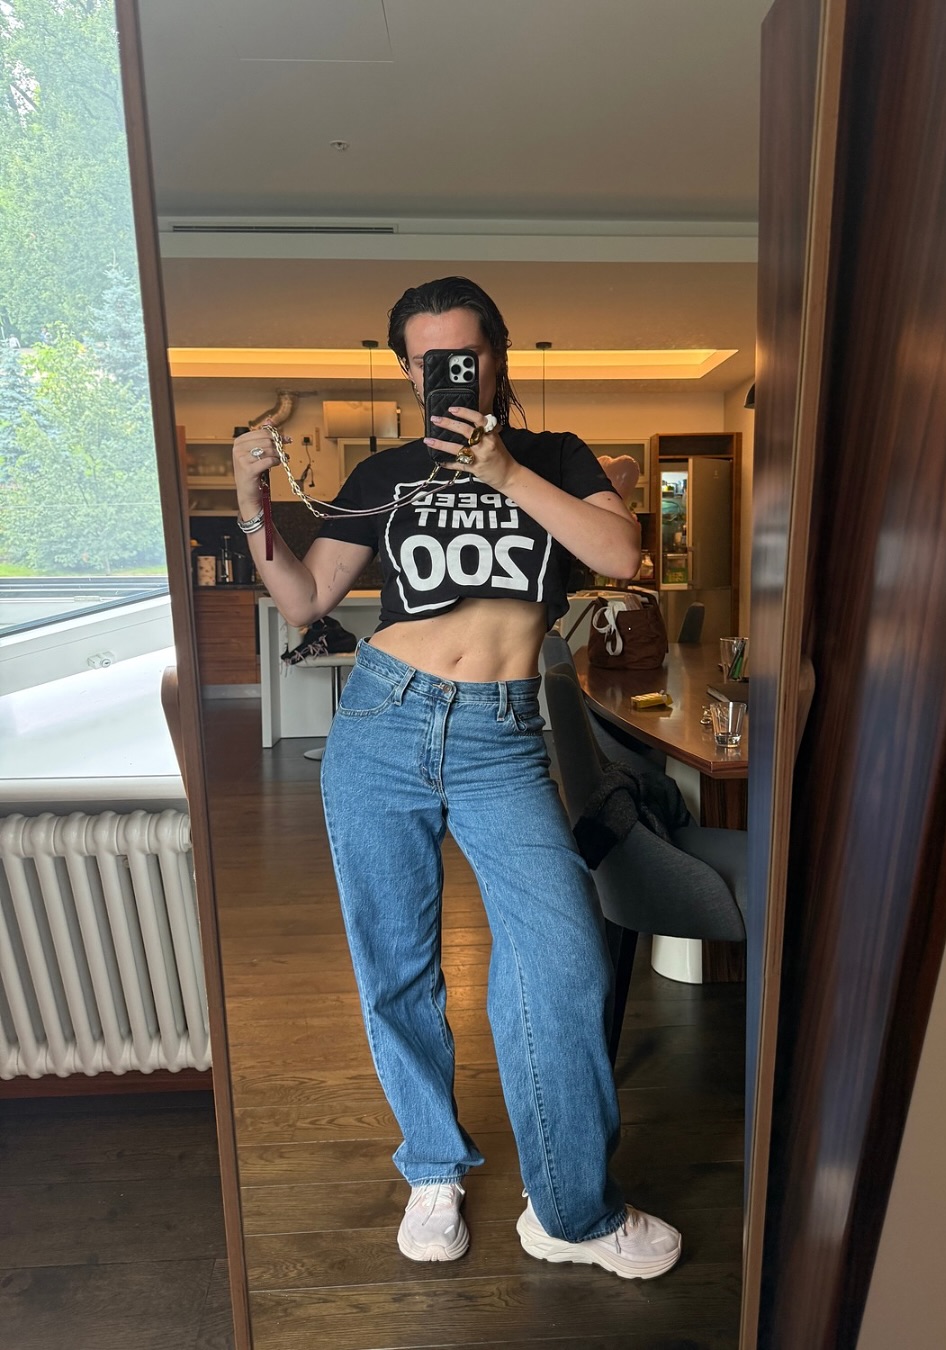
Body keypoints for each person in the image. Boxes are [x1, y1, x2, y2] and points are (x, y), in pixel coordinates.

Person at [231, 276, 680, 1280]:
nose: (448, 374)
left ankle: (568, 1211)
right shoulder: (386, 471)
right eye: (428, 360)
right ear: (408, 372)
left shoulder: (556, 458)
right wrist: (252, 507)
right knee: (396, 965)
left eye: (464, 355)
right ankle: (432, 1166)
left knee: (565, 959)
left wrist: (504, 469)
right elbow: (305, 601)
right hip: (382, 724)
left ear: (497, 357)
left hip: (501, 740)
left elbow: (620, 551)